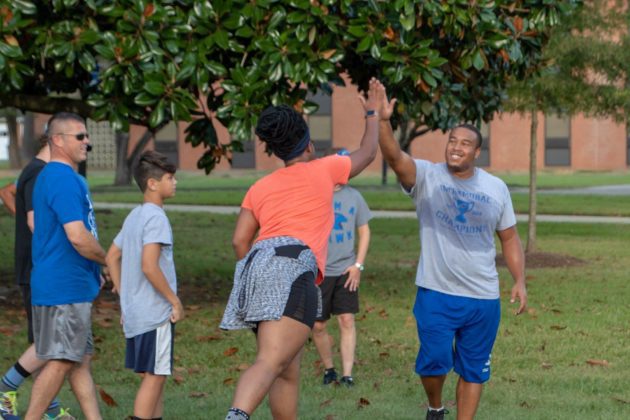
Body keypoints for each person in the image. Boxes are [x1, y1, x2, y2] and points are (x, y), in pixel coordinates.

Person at [220, 78, 385, 420]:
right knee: (270, 361)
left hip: (257, 265)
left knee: (286, 368)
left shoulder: (261, 186)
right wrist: (373, 112)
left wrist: (258, 273)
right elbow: (369, 152)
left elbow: (240, 240)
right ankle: (236, 415)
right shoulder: (323, 169)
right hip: (293, 266)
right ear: (309, 146)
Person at [377, 96, 527, 420]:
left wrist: (519, 280)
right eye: (452, 141)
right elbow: (394, 156)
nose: (456, 147)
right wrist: (383, 121)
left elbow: (510, 237)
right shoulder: (427, 177)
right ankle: (435, 407)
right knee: (433, 362)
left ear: (477, 152)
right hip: (436, 292)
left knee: (474, 370)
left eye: (465, 143)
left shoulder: (496, 188)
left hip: (483, 298)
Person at [25, 112, 107, 420]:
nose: (87, 142)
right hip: (63, 288)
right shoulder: (59, 178)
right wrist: (108, 259)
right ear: (57, 140)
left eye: (87, 136)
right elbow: (77, 236)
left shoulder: (69, 178)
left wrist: (94, 271)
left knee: (79, 360)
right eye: (80, 137)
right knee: (60, 360)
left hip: (74, 283)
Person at [0, 136, 76, 420]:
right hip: (39, 269)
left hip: (41, 268)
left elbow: (8, 193)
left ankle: (51, 410)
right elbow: (35, 221)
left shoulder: (37, 171)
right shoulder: (39, 172)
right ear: (57, 142)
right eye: (77, 138)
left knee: (49, 341)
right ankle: (5, 390)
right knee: (50, 341)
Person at [105, 150, 183, 420]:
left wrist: (124, 294)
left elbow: (111, 256)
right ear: (152, 183)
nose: (175, 183)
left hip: (136, 311)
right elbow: (149, 266)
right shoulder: (156, 217)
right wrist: (174, 300)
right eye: (170, 178)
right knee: (155, 377)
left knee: (154, 376)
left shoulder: (134, 216)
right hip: (155, 312)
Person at [312, 183, 372, 387]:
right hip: (320, 271)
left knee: (347, 320)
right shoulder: (316, 194)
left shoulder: (354, 196)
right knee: (318, 325)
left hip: (346, 270)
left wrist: (358, 265)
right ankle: (329, 370)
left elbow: (364, 232)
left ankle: (348, 375)